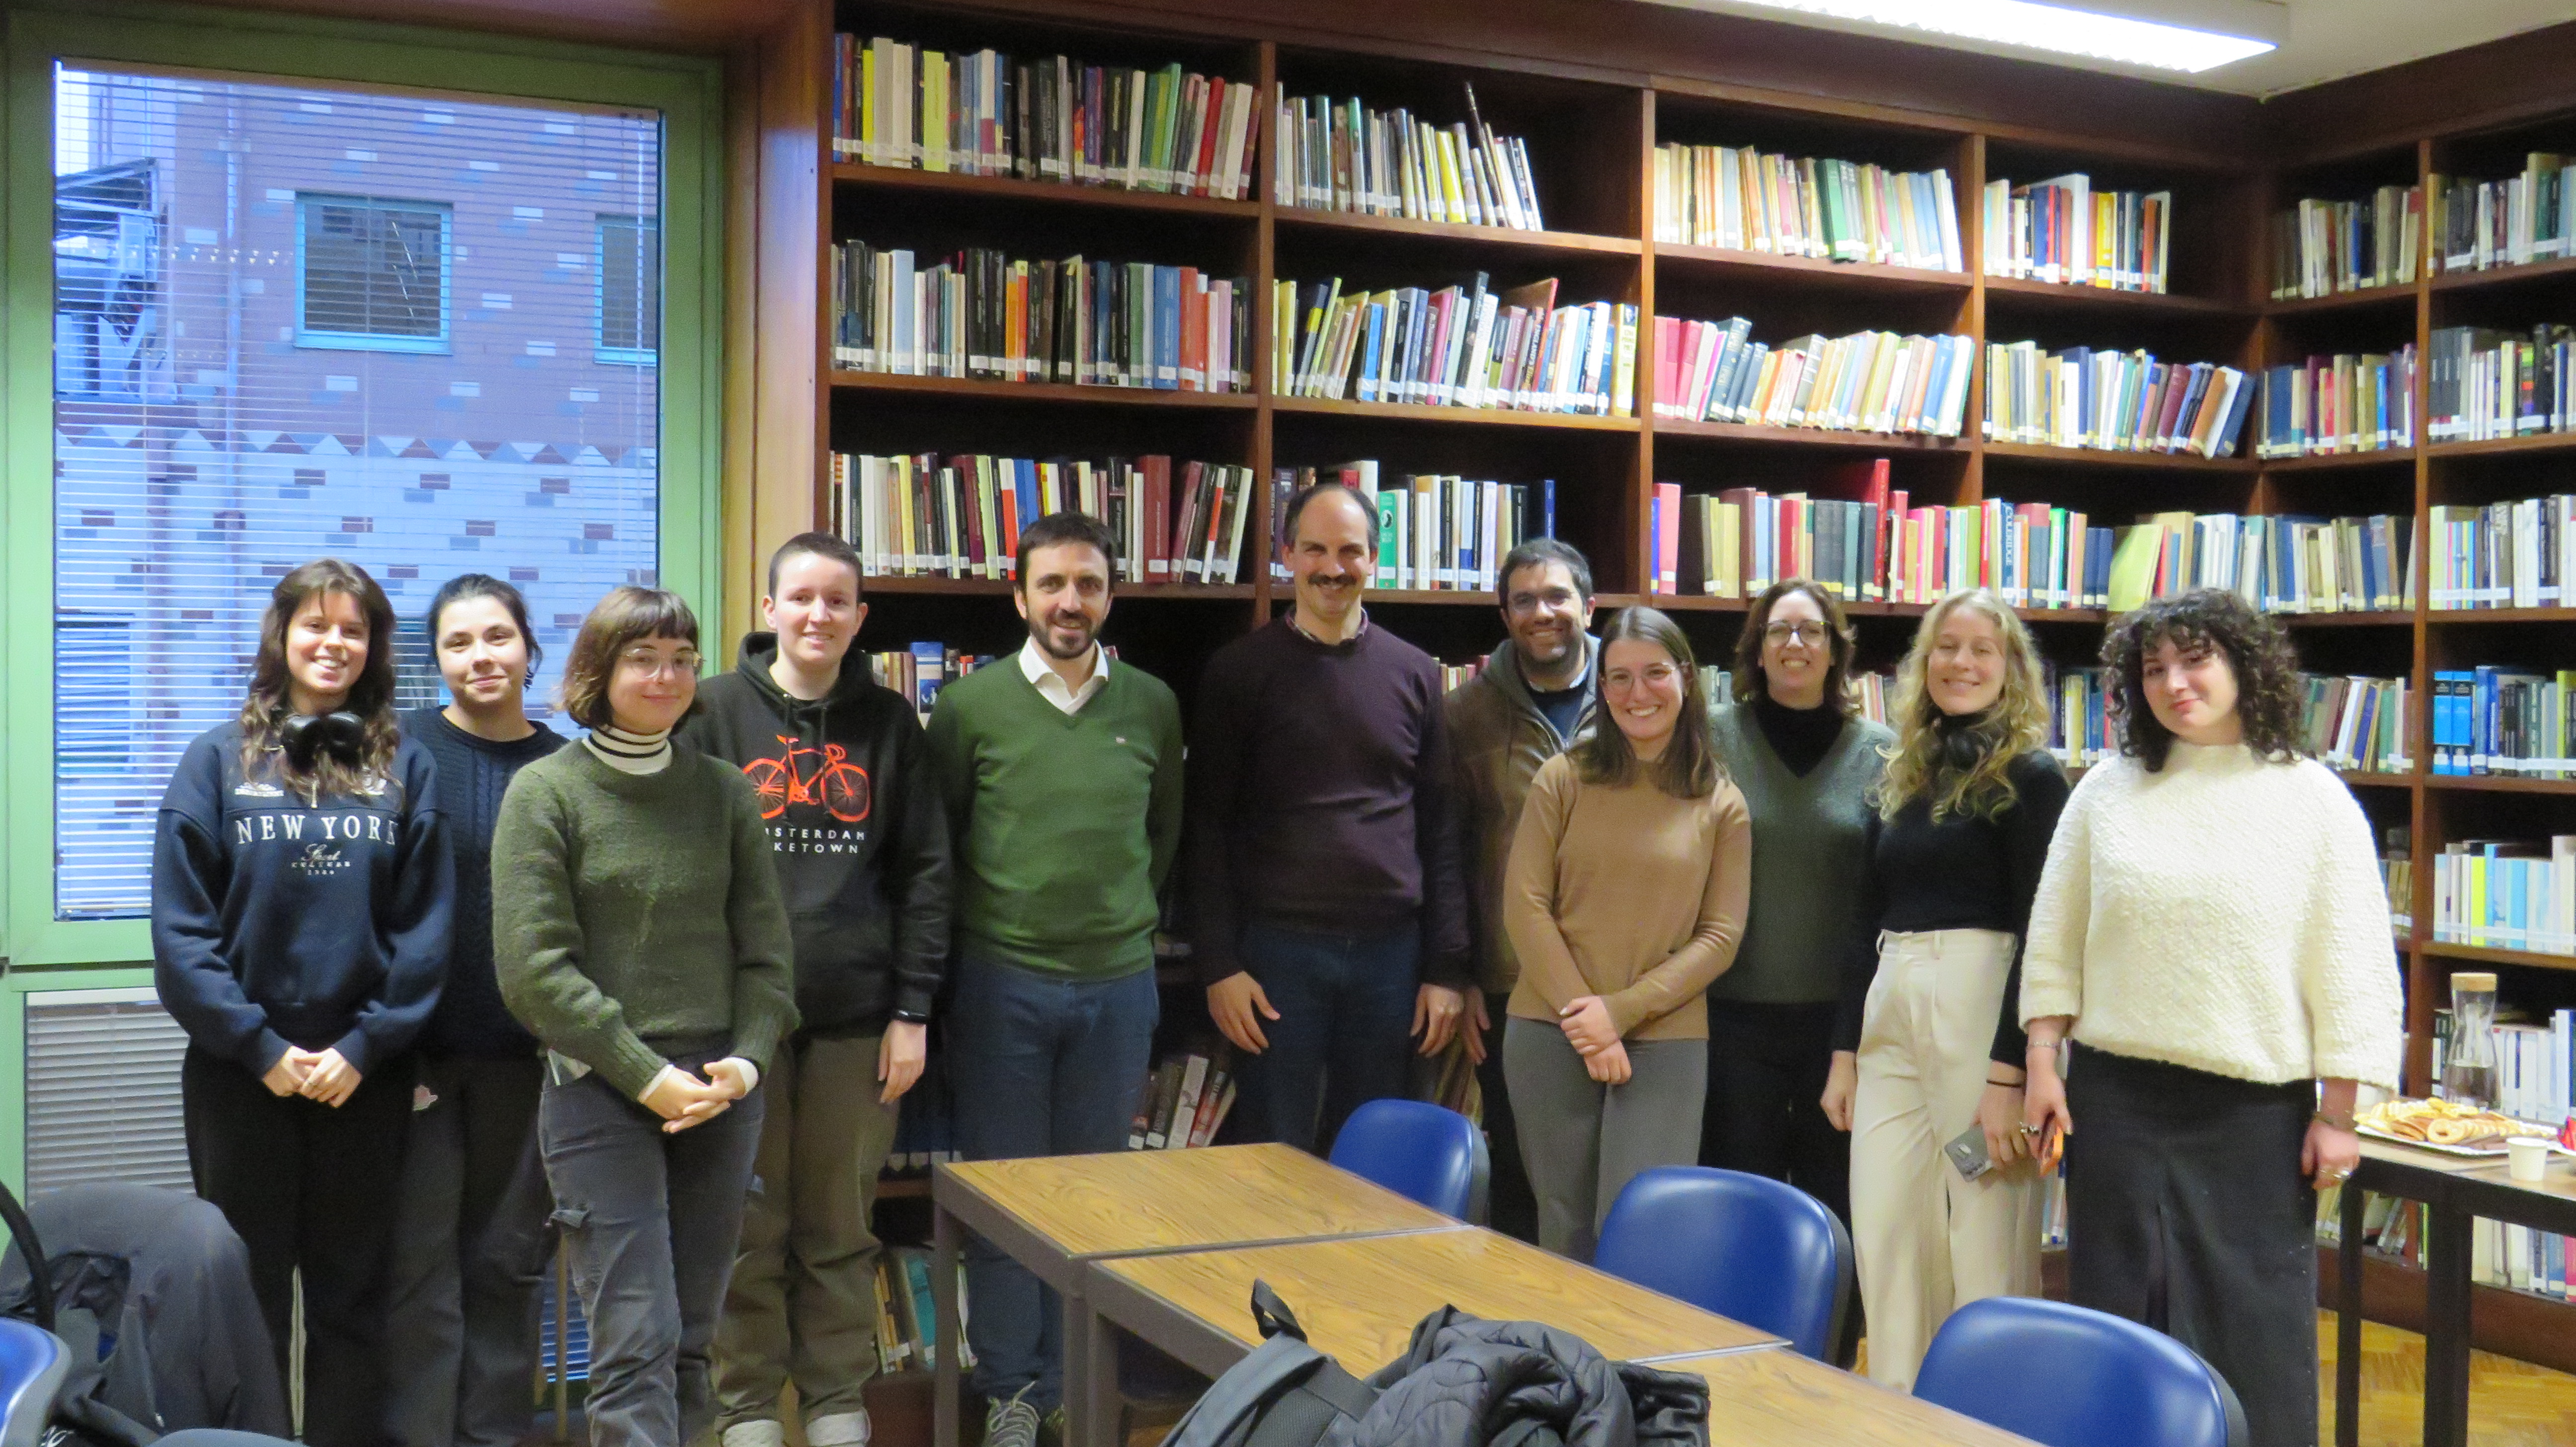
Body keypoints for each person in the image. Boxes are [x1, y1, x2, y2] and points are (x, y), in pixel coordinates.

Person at [2020, 589, 2402, 1447]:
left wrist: (2339, 1112)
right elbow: (2055, 935)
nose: (2174, 683)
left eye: (2196, 660)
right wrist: (2045, 1058)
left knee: (2254, 1332)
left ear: (2243, 665)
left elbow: (2351, 965)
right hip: (2114, 1100)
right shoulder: (2107, 793)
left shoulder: (2313, 800)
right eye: (2153, 668)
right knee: (2118, 1318)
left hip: (2252, 1117)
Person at [152, 558, 453, 1447]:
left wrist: (365, 1048)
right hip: (240, 1080)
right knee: (244, 1307)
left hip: (364, 1080)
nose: (334, 644)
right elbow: (182, 935)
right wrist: (259, 1048)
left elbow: (426, 931)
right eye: (316, 626)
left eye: (353, 630)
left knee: (353, 1305)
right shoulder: (215, 762)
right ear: (281, 636)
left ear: (374, 649)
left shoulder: (408, 765)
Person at [493, 587, 799, 1447]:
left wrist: (746, 1060)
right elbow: (534, 973)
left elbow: (768, 956)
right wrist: (647, 1076)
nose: (665, 676)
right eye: (643, 659)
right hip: (600, 1092)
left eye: (680, 659)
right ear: (599, 670)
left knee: (696, 1340)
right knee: (635, 1341)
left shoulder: (725, 793)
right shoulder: (545, 792)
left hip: (718, 1091)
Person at [924, 512, 1183, 1447]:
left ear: (1112, 594)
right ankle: (1012, 1392)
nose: (1070, 602)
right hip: (1002, 985)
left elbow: (1162, 838)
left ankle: (1078, 1379)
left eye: (1089, 584)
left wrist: (1113, 920)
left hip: (1117, 987)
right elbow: (943, 842)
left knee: (1095, 1199)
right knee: (1007, 1199)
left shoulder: (1152, 702)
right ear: (1019, 594)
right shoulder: (970, 707)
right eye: (1052, 584)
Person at [690, 533, 952, 1447]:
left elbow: (926, 876)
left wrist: (912, 1012)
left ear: (860, 619)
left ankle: (839, 1406)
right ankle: (748, 1412)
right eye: (800, 599)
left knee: (841, 1225)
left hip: (856, 1021)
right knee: (745, 1229)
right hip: (733, 1029)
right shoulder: (709, 713)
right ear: (768, 610)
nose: (817, 617)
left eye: (837, 602)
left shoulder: (891, 726)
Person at [1823, 589, 2069, 1390]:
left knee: (1985, 1236)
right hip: (1890, 1008)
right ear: (1923, 665)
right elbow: (1861, 921)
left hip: (1980, 1010)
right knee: (1888, 1231)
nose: (1961, 664)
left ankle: (1992, 1418)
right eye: (1947, 648)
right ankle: (1898, 1418)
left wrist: (2012, 1074)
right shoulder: (1899, 776)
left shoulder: (2033, 779)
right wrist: (1842, 1055)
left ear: (2012, 671)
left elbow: (2046, 936)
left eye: (1982, 651)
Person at [1189, 483, 1471, 1152]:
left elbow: (1440, 826)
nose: (1332, 567)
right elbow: (1206, 829)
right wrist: (1219, 964)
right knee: (1274, 1149)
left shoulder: (1415, 674)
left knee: (1373, 1152)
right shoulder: (1237, 673)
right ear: (1287, 554)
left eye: (1350, 551)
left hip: (1391, 957)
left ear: (1375, 559)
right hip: (1278, 955)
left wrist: (1447, 968)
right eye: (1314, 548)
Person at [1501, 607, 1749, 1258]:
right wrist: (1583, 1016)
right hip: (1549, 1029)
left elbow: (1721, 937)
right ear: (1601, 686)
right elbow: (1525, 905)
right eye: (1618, 678)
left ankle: (1625, 1365)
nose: (1638, 694)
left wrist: (1619, 1013)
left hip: (1663, 1038)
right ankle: (1563, 1363)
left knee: (1640, 1231)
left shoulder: (1721, 801)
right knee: (1564, 1227)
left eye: (1654, 674)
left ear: (1687, 678)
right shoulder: (1562, 779)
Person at [387, 574, 569, 1447]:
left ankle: (495, 1438)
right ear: (438, 663)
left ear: (530, 648)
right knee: (418, 1269)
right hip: (414, 1057)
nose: (481, 657)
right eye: (458, 644)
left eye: (497, 637)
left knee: (507, 1265)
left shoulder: (567, 765)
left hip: (528, 1062)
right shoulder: (401, 752)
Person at [1702, 579, 1890, 1234]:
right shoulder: (1711, 737)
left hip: (1841, 1028)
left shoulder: (1885, 751)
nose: (1795, 644)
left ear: (1836, 650)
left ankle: (1829, 1340)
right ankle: (1733, 1339)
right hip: (1732, 1017)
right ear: (1757, 649)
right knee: (1736, 1203)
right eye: (1779, 630)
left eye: (1812, 631)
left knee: (1834, 1202)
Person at [1447, 538, 1599, 1243]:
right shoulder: (1464, 716)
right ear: (1505, 615)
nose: (1544, 613)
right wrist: (1461, 972)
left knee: (1614, 1176)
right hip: (1515, 982)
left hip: (1625, 982)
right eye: (1526, 601)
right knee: (1523, 1178)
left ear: (1589, 606)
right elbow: (1446, 852)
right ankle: (1527, 1341)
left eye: (1558, 597)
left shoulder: (1641, 692)